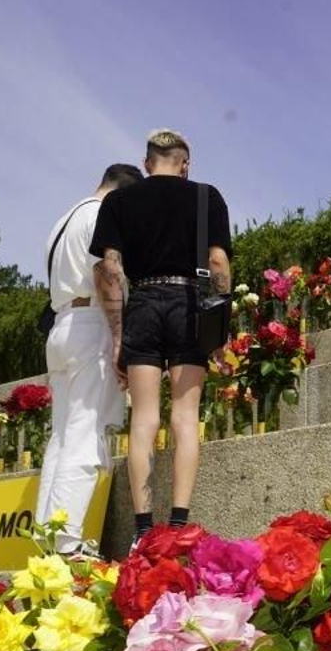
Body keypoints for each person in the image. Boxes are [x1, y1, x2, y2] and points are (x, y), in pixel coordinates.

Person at [92, 129, 232, 544]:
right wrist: (219, 331)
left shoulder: (118, 201)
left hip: (144, 304)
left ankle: (141, 531)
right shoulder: (207, 197)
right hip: (190, 302)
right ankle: (179, 525)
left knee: (144, 419)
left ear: (148, 161)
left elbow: (110, 270)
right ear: (184, 163)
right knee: (185, 418)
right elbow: (218, 262)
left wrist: (118, 336)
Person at [35, 163, 143, 553]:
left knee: (62, 436)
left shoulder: (65, 218)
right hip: (90, 323)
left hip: (62, 324)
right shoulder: (101, 215)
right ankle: (67, 542)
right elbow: (106, 271)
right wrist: (118, 337)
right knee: (84, 432)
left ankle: (48, 539)